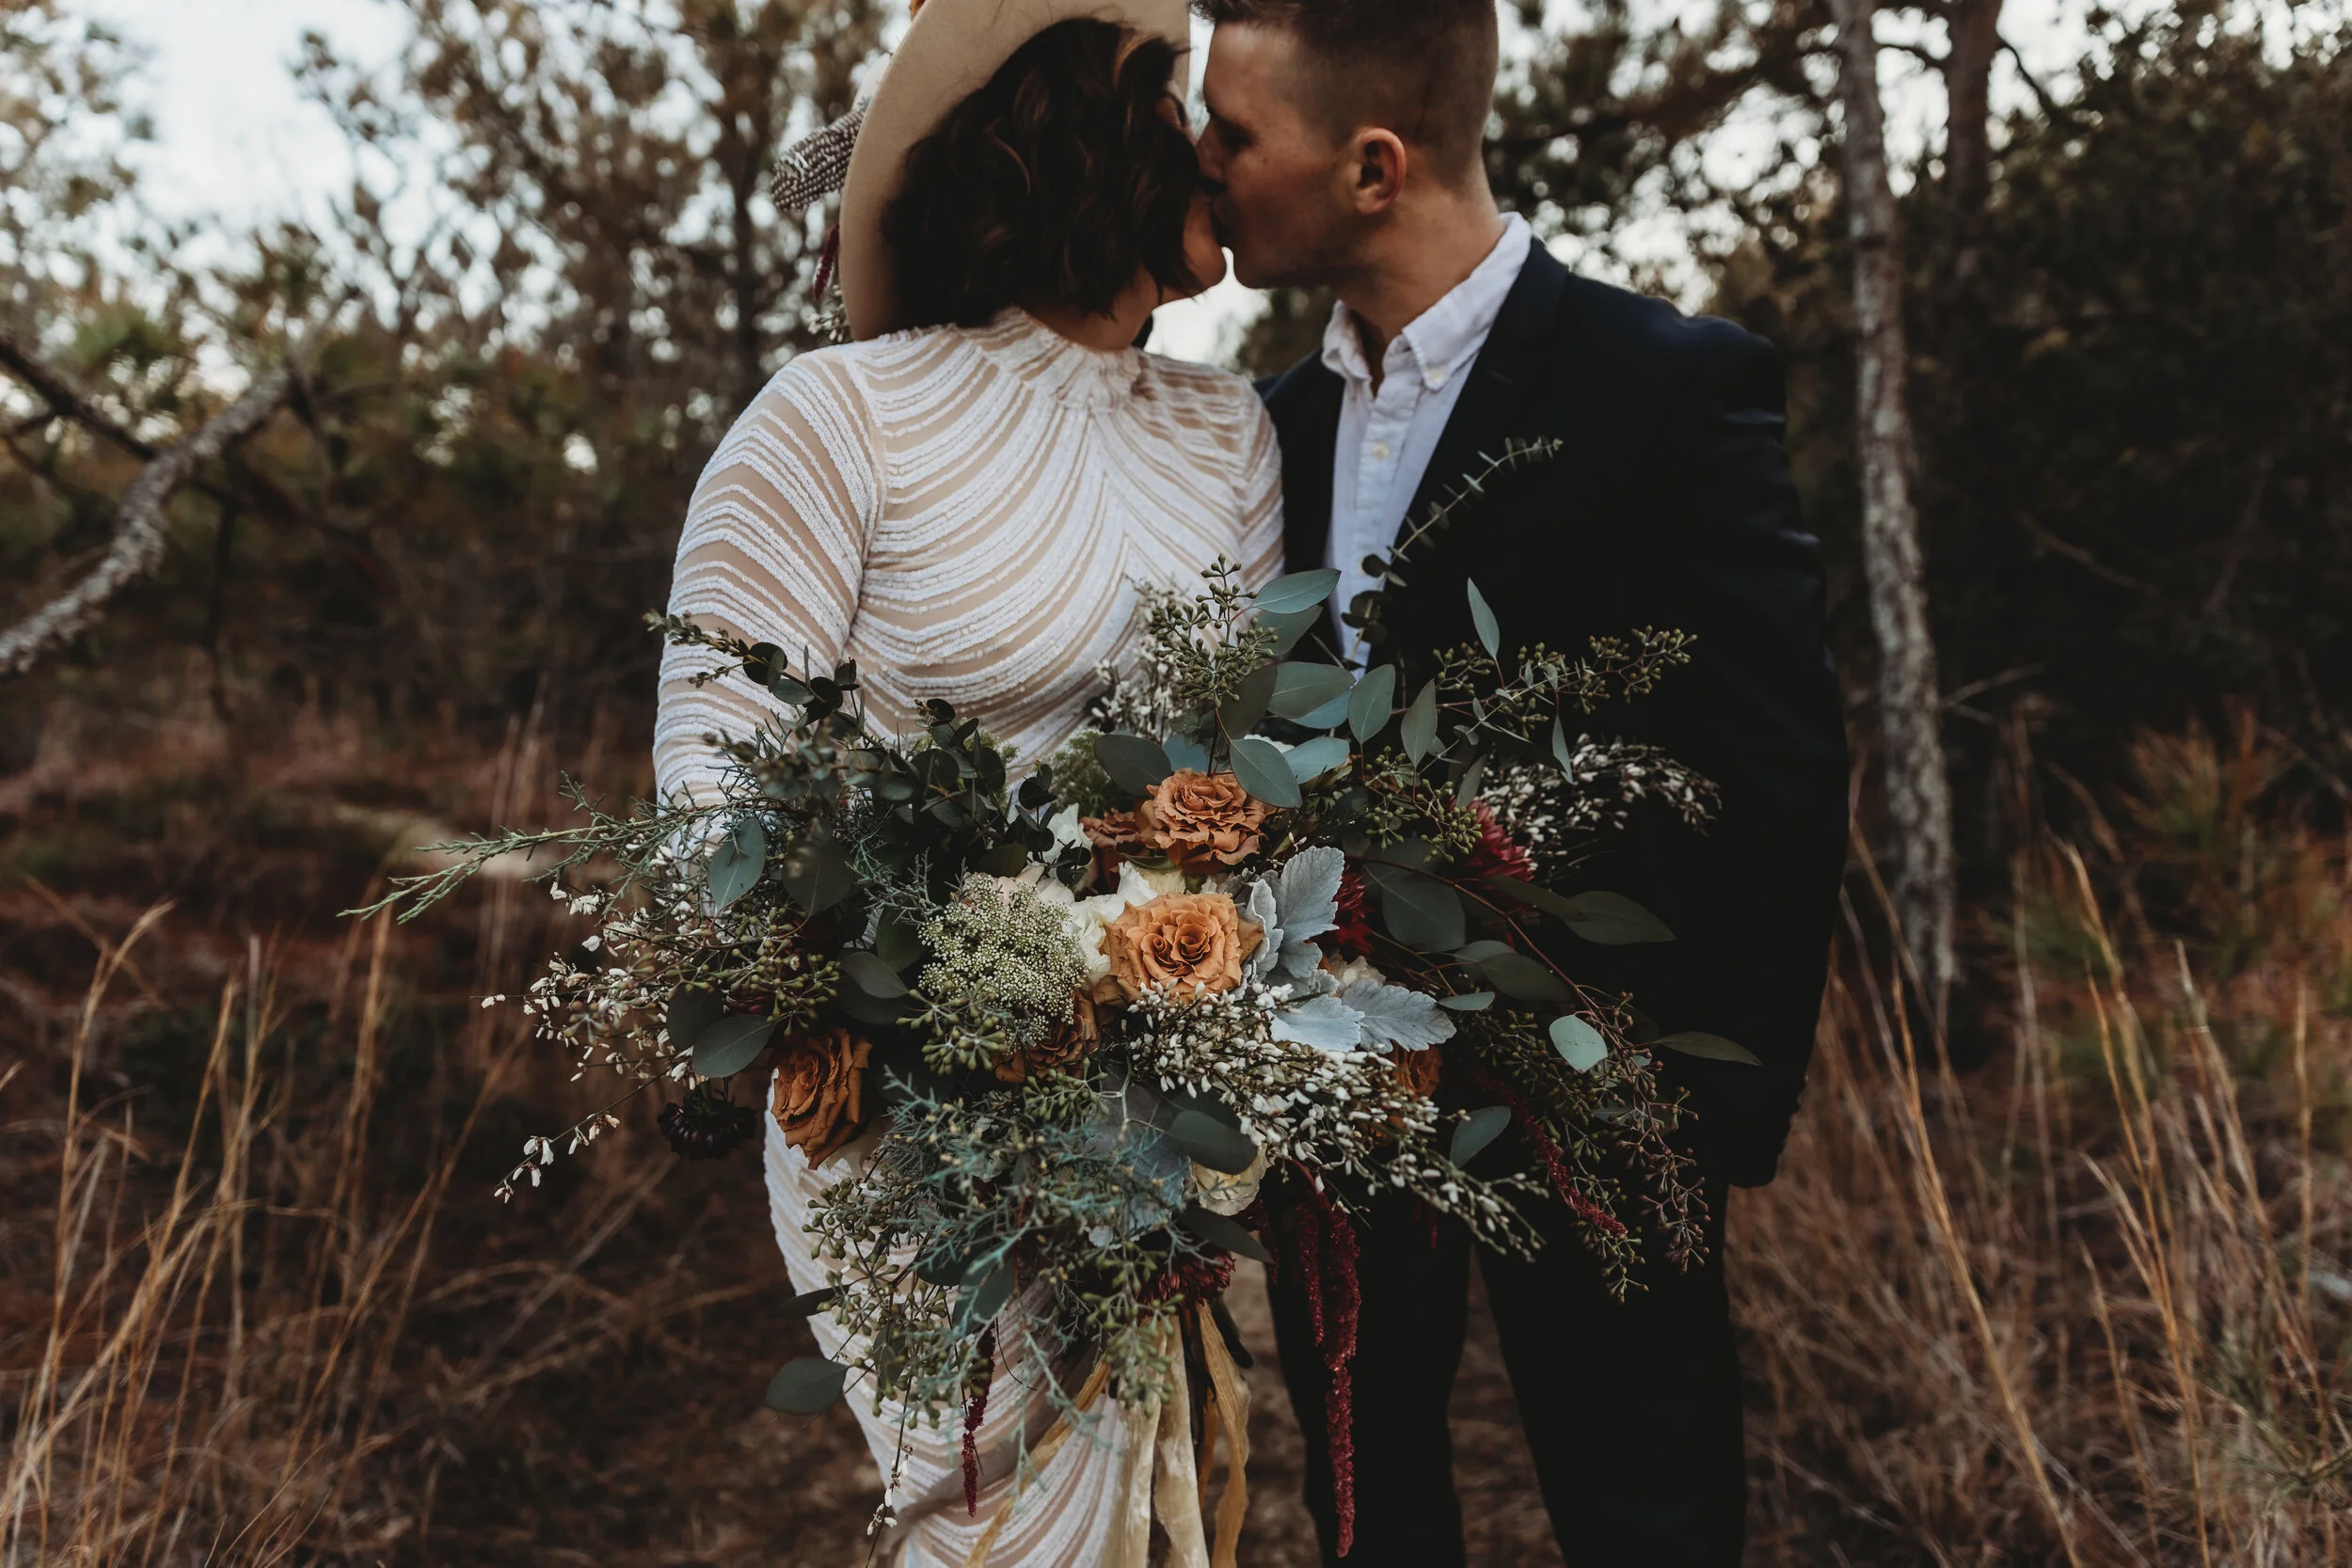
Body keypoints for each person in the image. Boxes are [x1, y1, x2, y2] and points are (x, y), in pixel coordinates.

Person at [1193, 1, 1850, 1564]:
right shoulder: (1259, 434)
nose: (1204, 168)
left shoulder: (1668, 387)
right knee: (1366, 1511)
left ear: (1371, 165)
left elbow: (1776, 760)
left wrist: (1705, 1113)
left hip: (1600, 1093)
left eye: (1233, 136)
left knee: (1649, 1513)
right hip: (1330, 1101)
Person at [653, 4, 1280, 1562]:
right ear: (1085, 134)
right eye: (1179, 111)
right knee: (987, 1522)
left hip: (1162, 1092)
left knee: (1157, 1501)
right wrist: (954, 998)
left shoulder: (1231, 432)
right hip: (914, 1120)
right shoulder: (837, 421)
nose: (1217, 147)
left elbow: (1245, 776)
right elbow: (713, 804)